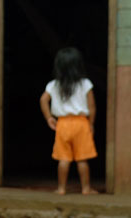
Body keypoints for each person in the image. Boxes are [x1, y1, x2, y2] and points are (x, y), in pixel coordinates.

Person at [40, 47, 98, 195]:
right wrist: (91, 123)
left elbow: (43, 100)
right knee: (82, 159)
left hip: (63, 124)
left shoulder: (53, 85)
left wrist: (49, 118)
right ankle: (86, 188)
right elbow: (91, 106)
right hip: (81, 123)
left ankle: (61, 189)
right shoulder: (85, 84)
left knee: (63, 159)